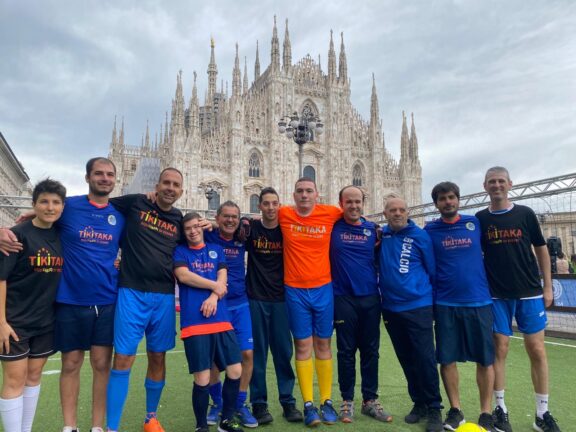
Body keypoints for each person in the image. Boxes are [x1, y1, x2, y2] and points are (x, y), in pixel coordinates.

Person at [0, 158, 125, 432]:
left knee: (102, 364)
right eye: (98, 173)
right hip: (70, 301)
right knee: (71, 363)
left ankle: (97, 426)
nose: (104, 178)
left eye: (109, 174)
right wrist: (4, 230)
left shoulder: (120, 213)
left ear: (116, 179)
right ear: (87, 177)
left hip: (107, 301)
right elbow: (41, 217)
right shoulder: (69, 207)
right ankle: (70, 427)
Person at [476, 166, 561, 432]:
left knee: (537, 349)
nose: (497, 185)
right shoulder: (480, 219)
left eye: (501, 181)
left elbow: (542, 250)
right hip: (496, 295)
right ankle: (500, 409)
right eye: (492, 181)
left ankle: (542, 413)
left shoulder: (525, 213)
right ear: (485, 186)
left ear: (510, 184)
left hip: (530, 292)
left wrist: (548, 286)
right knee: (499, 349)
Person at [105, 167, 184, 432]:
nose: (170, 188)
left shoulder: (178, 218)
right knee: (123, 358)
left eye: (175, 185)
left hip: (163, 296)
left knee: (158, 356)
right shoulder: (136, 202)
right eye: (166, 183)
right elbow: (96, 204)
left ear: (181, 191)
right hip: (132, 292)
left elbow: (197, 240)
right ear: (157, 185)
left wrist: (210, 224)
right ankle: (112, 427)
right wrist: (40, 213)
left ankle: (151, 417)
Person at [424, 182, 496, 432]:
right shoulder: (430, 230)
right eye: (443, 198)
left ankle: (486, 412)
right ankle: (455, 410)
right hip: (445, 302)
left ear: (458, 199)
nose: (448, 202)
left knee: (485, 359)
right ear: (436, 203)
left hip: (479, 301)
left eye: (451, 197)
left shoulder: (474, 223)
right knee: (447, 359)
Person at [0, 179, 66, 432]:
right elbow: (1, 279)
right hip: (15, 322)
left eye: (56, 202)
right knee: (14, 380)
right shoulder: (16, 235)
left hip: (45, 321)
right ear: (34, 204)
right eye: (44, 202)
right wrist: (1, 322)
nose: (50, 207)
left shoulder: (61, 234)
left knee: (34, 376)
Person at [277, 177, 342, 426]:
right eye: (300, 191)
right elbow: (260, 218)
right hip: (295, 290)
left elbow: (354, 214)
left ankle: (326, 401)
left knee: (324, 344)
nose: (304, 195)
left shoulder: (330, 213)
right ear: (294, 195)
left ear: (317, 194)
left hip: (323, 288)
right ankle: (308, 404)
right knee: (302, 346)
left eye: (308, 191)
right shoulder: (284, 214)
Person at [377, 197, 443, 432]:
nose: (397, 213)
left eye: (402, 210)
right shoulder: (382, 235)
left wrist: (432, 304)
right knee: (406, 358)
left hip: (417, 306)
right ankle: (419, 403)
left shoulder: (420, 236)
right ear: (385, 213)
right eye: (393, 210)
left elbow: (432, 270)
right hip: (391, 308)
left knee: (425, 358)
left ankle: (434, 407)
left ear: (408, 212)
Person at [173, 212, 243, 432]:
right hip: (195, 324)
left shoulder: (216, 250)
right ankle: (201, 426)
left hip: (221, 320)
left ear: (202, 227)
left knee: (235, 370)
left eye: (196, 226)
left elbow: (222, 279)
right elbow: (184, 276)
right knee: (202, 378)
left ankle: (226, 420)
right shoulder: (180, 251)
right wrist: (214, 287)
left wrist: (214, 296)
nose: (193, 231)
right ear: (184, 232)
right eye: (188, 228)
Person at [329, 186, 391, 424]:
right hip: (343, 297)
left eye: (358, 201)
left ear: (363, 203)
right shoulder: (333, 227)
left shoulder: (374, 231)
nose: (354, 206)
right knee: (345, 351)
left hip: (370, 298)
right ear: (341, 203)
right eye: (349, 202)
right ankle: (347, 400)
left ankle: (370, 400)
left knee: (370, 351)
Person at [244, 188, 302, 424]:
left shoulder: (287, 229)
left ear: (280, 205)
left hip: (281, 299)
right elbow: (227, 232)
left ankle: (288, 402)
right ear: (259, 206)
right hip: (256, 298)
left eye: (274, 203)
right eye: (266, 203)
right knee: (257, 353)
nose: (270, 207)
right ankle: (259, 404)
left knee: (283, 353)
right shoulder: (251, 229)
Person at [203, 201, 257, 428]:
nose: (230, 220)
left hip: (240, 304)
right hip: (218, 305)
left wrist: (248, 221)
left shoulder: (243, 237)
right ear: (217, 217)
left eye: (234, 216)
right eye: (226, 216)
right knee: (215, 358)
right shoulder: (209, 235)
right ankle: (218, 402)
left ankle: (239, 403)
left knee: (247, 354)